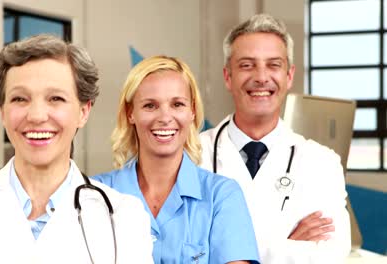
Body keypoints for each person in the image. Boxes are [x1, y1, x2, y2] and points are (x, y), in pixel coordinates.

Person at [0, 34, 153, 263]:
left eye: (55, 99)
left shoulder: (122, 218)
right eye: (20, 99)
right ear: (2, 111)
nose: (37, 116)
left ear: (83, 111)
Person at [199, 14, 351, 263]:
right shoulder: (191, 155)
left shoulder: (322, 162)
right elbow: (180, 250)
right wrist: (287, 246)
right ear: (228, 76)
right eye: (247, 65)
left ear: (289, 76)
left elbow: (331, 254)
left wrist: (227, 247)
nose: (261, 77)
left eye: (273, 65)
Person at [93, 55, 260, 264]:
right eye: (150, 106)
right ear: (130, 113)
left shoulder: (222, 196)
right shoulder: (95, 194)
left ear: (192, 111)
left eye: (177, 104)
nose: (164, 117)